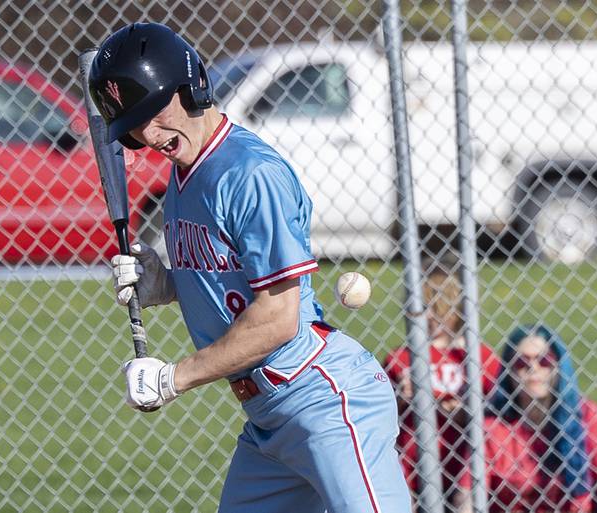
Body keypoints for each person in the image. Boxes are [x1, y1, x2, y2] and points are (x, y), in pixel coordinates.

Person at [90, 22, 411, 513]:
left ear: (189, 86)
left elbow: (278, 320)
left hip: (323, 400)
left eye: (155, 111)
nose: (148, 134)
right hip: (268, 419)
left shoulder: (250, 174)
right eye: (134, 125)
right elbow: (227, 277)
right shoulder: (185, 175)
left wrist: (173, 378)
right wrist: (167, 284)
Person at [485, 324, 597, 513]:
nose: (534, 368)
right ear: (508, 371)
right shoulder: (493, 428)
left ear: (559, 366)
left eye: (544, 360)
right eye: (522, 362)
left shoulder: (587, 415)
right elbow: (466, 498)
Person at [384, 268, 501, 511]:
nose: (428, 316)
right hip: (414, 469)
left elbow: (501, 409)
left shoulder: (478, 355)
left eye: (436, 307)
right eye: (422, 308)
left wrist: (466, 409)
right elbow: (381, 416)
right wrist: (400, 399)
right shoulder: (401, 358)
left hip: (467, 467)